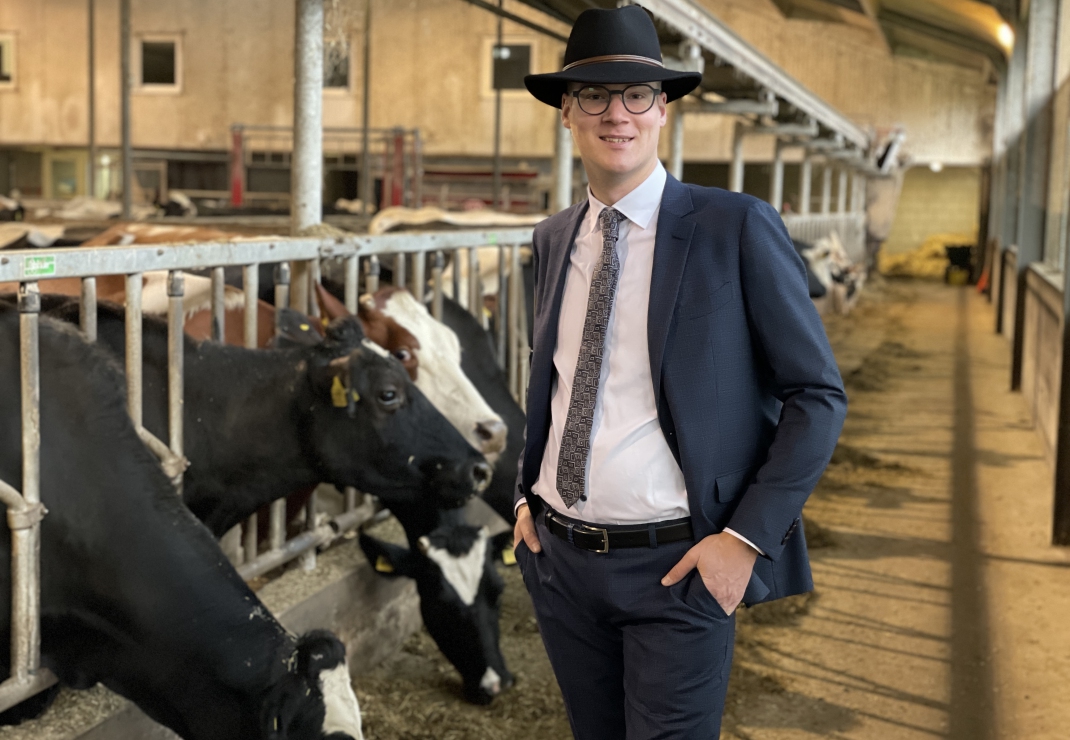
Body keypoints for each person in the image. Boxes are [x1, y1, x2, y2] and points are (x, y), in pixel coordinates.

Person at [511, 6, 848, 740]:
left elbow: (817, 396)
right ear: (567, 113)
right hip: (561, 566)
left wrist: (745, 541)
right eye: (594, 96)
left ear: (663, 109)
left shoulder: (734, 227)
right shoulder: (552, 237)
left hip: (679, 568)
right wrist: (523, 501)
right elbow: (559, 382)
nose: (616, 114)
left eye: (637, 95)